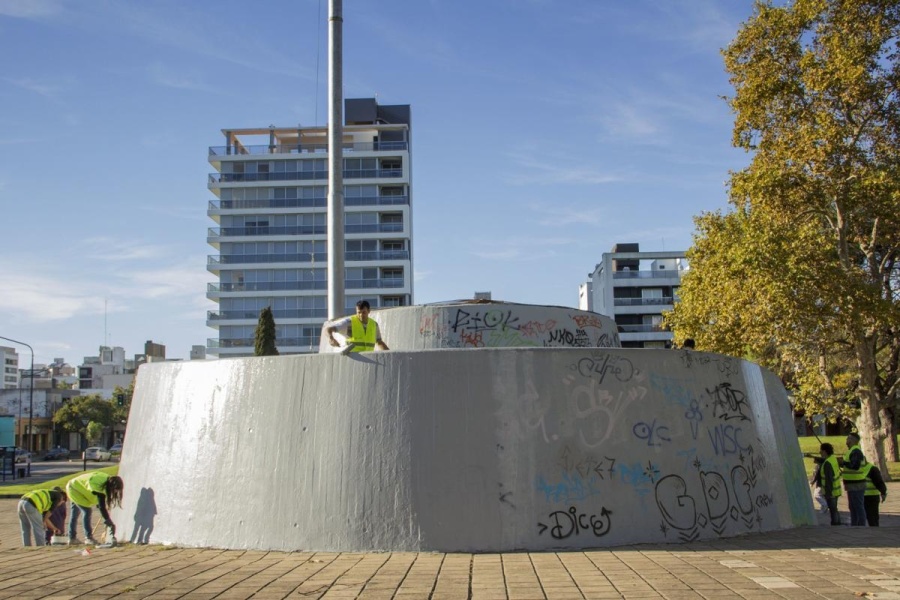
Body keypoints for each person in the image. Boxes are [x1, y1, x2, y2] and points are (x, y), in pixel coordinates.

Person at [66, 472, 124, 545]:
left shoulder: (108, 480)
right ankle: (88, 538)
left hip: (76, 486)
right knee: (87, 511)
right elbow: (101, 506)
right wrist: (107, 520)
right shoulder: (98, 485)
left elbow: (100, 503)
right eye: (115, 489)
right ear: (111, 486)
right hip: (75, 489)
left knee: (75, 513)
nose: (115, 492)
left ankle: (72, 538)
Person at [841, 432, 868, 526]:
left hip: (857, 484)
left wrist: (844, 463)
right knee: (852, 506)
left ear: (853, 440)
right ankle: (854, 524)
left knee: (858, 506)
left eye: (848, 439)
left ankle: (860, 525)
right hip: (852, 484)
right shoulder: (851, 451)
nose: (846, 440)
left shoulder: (855, 451)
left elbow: (855, 466)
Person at [817, 443, 842, 526]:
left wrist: (828, 492)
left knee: (833, 509)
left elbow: (829, 479)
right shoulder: (833, 459)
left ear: (824, 451)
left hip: (831, 491)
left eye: (821, 450)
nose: (819, 452)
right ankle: (838, 522)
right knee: (835, 509)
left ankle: (835, 524)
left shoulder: (827, 463)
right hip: (836, 489)